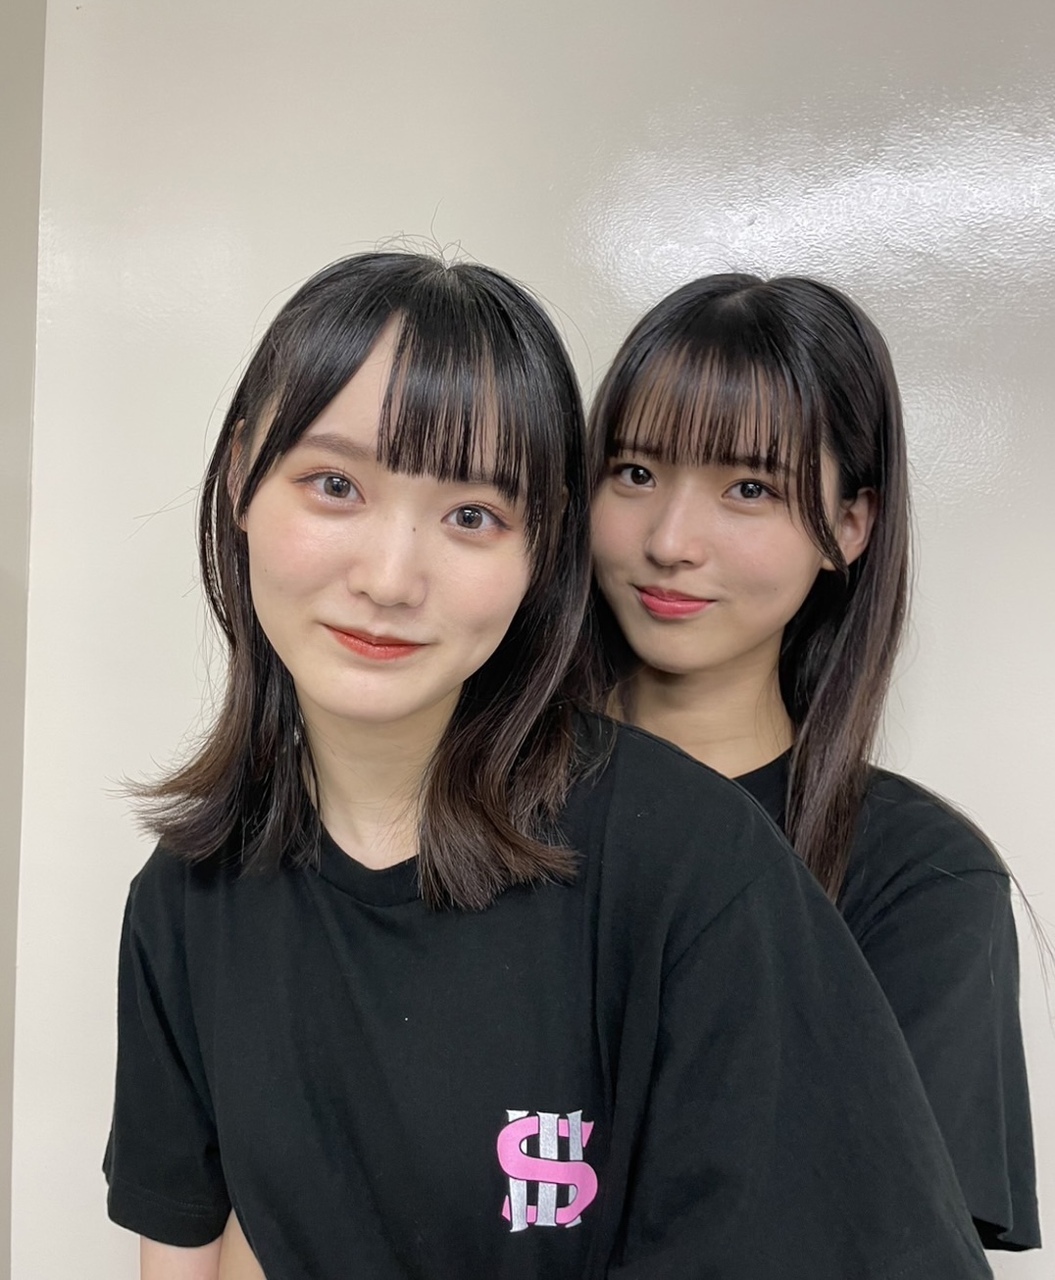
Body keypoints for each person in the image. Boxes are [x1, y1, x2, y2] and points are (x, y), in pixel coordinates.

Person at [105, 251, 995, 1279]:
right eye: (334, 484)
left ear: (540, 550)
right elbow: (190, 1248)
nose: (389, 578)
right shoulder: (187, 894)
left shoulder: (699, 861)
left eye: (471, 515)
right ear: (240, 480)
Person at [587, 271, 1039, 1252]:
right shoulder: (468, 805)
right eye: (633, 472)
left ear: (848, 525)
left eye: (747, 488)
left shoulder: (919, 877)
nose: (669, 540)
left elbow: (896, 1249)